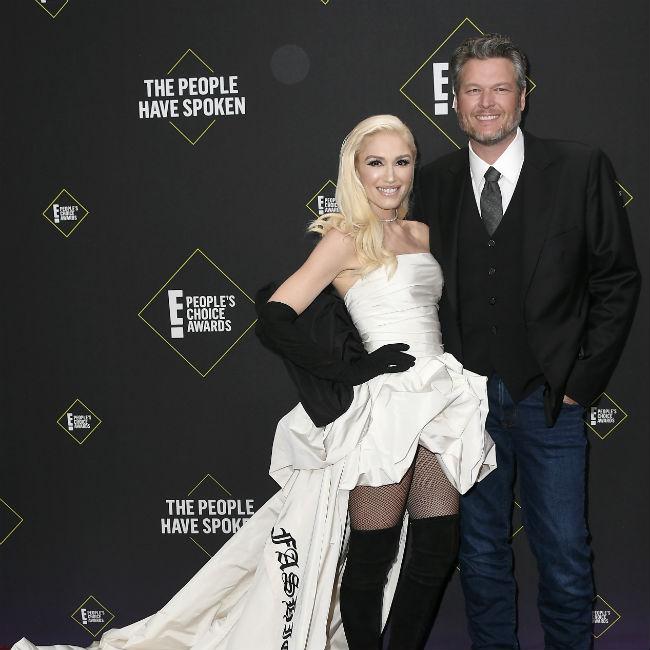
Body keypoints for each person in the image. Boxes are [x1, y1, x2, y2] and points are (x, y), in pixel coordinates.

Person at [13, 115, 495, 650]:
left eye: (401, 162)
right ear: (355, 171)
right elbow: (275, 317)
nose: (390, 176)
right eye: (375, 163)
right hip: (384, 409)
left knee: (435, 548)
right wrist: (354, 370)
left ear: (413, 167)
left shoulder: (421, 234)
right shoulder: (344, 239)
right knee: (371, 557)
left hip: (439, 397)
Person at [412, 34, 641, 650]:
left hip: (550, 400)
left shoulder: (579, 168)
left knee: (563, 554)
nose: (486, 103)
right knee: (480, 555)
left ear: (522, 97)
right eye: (473, 90)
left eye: (500, 89)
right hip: (463, 405)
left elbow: (617, 279)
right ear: (455, 102)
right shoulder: (432, 183)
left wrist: (579, 382)